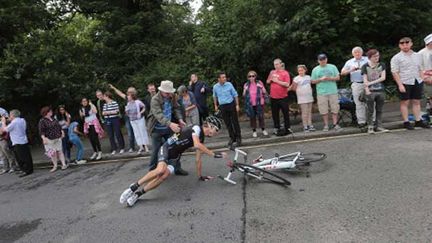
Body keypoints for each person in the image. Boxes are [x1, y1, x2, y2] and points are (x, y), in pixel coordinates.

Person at [119, 116, 226, 207]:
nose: (216, 133)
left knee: (163, 176)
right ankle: (133, 188)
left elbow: (198, 158)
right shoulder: (197, 128)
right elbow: (197, 145)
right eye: (216, 130)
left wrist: (200, 176)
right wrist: (214, 154)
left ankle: (138, 194)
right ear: (210, 126)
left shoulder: (201, 138)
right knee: (160, 169)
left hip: (175, 156)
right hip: (166, 148)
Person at [147, 80, 188, 175]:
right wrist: (171, 124)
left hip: (168, 129)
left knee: (174, 147)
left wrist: (180, 119)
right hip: (156, 129)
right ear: (161, 91)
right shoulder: (155, 99)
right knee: (156, 150)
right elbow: (159, 115)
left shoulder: (172, 96)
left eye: (170, 92)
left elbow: (176, 108)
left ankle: (176, 168)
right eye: (167, 92)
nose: (169, 94)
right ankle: (152, 171)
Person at [390, 37, 430, 130]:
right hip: (405, 81)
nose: (405, 45)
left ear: (411, 44)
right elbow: (395, 72)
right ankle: (406, 121)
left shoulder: (417, 55)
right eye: (402, 44)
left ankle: (418, 120)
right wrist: (400, 85)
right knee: (405, 102)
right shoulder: (396, 58)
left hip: (417, 80)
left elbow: (420, 68)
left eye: (407, 43)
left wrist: (422, 78)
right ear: (399, 45)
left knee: (416, 101)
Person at [311, 54, 343, 132]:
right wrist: (321, 79)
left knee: (335, 108)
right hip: (321, 92)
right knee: (323, 109)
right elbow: (312, 81)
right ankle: (326, 125)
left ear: (326, 59)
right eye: (321, 60)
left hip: (333, 91)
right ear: (318, 61)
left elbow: (338, 77)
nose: (323, 61)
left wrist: (329, 78)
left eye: (324, 59)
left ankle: (335, 124)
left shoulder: (333, 67)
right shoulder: (315, 69)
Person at [362, 49, 389, 134]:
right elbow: (364, 79)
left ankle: (379, 126)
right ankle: (370, 127)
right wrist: (367, 89)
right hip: (370, 91)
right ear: (369, 57)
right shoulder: (365, 66)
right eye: (374, 56)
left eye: (378, 56)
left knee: (379, 109)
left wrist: (370, 83)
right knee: (370, 110)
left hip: (380, 90)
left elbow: (383, 77)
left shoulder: (382, 65)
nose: (377, 58)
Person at [341, 47, 369, 128]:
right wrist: (350, 70)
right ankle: (361, 121)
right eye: (355, 52)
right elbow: (342, 73)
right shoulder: (349, 62)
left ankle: (372, 120)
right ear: (353, 54)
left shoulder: (367, 59)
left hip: (368, 83)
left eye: (359, 52)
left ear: (362, 52)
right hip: (356, 84)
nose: (357, 53)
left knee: (370, 102)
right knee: (358, 103)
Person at [0, 110, 33, 177]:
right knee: (26, 156)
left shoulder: (14, 122)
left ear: (13, 115)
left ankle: (27, 170)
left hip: (17, 141)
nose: (9, 116)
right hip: (23, 140)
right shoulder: (22, 120)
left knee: (21, 157)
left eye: (10, 115)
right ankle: (26, 169)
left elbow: (5, 129)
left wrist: (3, 122)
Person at [213, 72, 242, 147]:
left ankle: (238, 137)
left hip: (231, 104)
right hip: (222, 106)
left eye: (225, 77)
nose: (224, 78)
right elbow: (214, 96)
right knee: (228, 123)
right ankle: (232, 137)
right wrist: (215, 105)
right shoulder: (215, 87)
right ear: (219, 79)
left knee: (235, 122)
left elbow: (235, 95)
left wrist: (237, 105)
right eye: (222, 77)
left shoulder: (229, 85)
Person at [109, 84, 138, 153]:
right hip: (128, 118)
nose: (128, 93)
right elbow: (120, 93)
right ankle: (132, 147)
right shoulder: (126, 98)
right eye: (128, 92)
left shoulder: (137, 100)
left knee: (137, 132)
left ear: (133, 93)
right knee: (130, 133)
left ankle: (142, 146)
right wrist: (113, 88)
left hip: (135, 118)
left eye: (130, 92)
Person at [266, 58, 292, 136]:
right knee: (275, 114)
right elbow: (267, 81)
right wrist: (270, 80)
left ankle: (287, 128)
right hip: (273, 97)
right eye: (274, 64)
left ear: (281, 64)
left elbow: (287, 84)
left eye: (277, 64)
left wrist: (277, 81)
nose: (276, 66)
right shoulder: (272, 72)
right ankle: (277, 128)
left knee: (285, 113)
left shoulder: (285, 73)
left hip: (283, 97)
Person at [38, 106, 68, 172]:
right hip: (49, 139)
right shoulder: (42, 121)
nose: (51, 112)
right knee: (52, 153)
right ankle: (55, 165)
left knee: (60, 151)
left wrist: (62, 132)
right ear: (46, 112)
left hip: (57, 137)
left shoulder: (54, 119)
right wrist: (43, 138)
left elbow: (59, 126)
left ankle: (63, 164)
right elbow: (41, 131)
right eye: (50, 111)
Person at [242, 70, 269, 137]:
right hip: (251, 104)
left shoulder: (259, 82)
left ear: (255, 76)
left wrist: (261, 86)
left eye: (253, 76)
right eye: (250, 76)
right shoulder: (246, 84)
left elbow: (265, 92)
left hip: (259, 103)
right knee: (252, 117)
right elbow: (244, 95)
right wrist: (245, 89)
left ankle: (263, 129)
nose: (251, 77)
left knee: (261, 117)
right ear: (248, 77)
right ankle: (254, 131)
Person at [291, 65, 315, 132]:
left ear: (305, 70)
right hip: (302, 98)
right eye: (299, 70)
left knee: (309, 112)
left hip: (309, 97)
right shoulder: (296, 78)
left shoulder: (308, 77)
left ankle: (310, 124)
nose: (300, 72)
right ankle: (305, 126)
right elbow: (293, 88)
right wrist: (300, 92)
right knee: (304, 112)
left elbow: (310, 85)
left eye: (302, 70)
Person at [0, 108, 18, 174]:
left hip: (3, 136)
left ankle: (13, 167)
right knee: (2, 154)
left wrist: (3, 123)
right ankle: (5, 168)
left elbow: (7, 120)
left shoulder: (1, 111)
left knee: (7, 152)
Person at [418, 34, 432, 100]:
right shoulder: (421, 53)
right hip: (427, 76)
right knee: (430, 95)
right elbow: (418, 68)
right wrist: (424, 77)